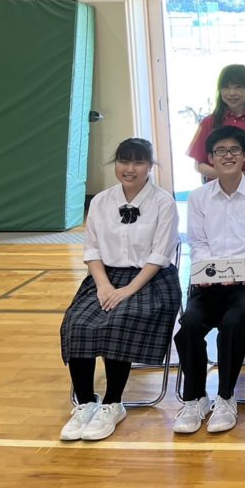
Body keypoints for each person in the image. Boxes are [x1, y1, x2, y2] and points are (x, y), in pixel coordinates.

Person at [59, 138, 181, 442]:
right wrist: (103, 285)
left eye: (139, 162)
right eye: (124, 161)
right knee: (77, 322)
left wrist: (127, 290)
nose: (130, 168)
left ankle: (113, 403)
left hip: (150, 279)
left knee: (119, 320)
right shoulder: (101, 201)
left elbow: (160, 255)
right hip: (105, 276)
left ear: (150, 166)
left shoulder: (163, 202)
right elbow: (92, 250)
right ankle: (86, 403)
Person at [173, 126, 245, 434]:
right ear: (210, 158)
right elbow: (198, 242)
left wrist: (238, 270)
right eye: (220, 151)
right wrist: (213, 271)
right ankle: (195, 398)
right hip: (208, 281)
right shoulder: (199, 197)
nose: (228, 156)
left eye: (234, 150)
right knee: (189, 325)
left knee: (233, 323)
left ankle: (226, 396)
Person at [188, 64, 245, 180]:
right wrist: (229, 176)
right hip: (217, 187)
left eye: (238, 87)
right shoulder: (208, 122)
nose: (232, 93)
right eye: (226, 87)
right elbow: (199, 165)